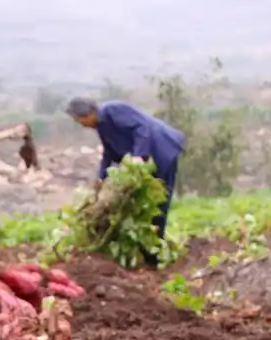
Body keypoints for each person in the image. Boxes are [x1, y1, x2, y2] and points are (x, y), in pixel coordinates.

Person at [66, 97, 186, 264]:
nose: (80, 123)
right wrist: (101, 179)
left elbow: (142, 127)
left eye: (79, 119)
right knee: (140, 205)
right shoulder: (102, 127)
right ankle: (146, 249)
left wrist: (138, 156)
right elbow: (109, 153)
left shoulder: (113, 110)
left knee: (158, 202)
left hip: (161, 149)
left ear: (88, 114)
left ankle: (153, 254)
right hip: (147, 161)